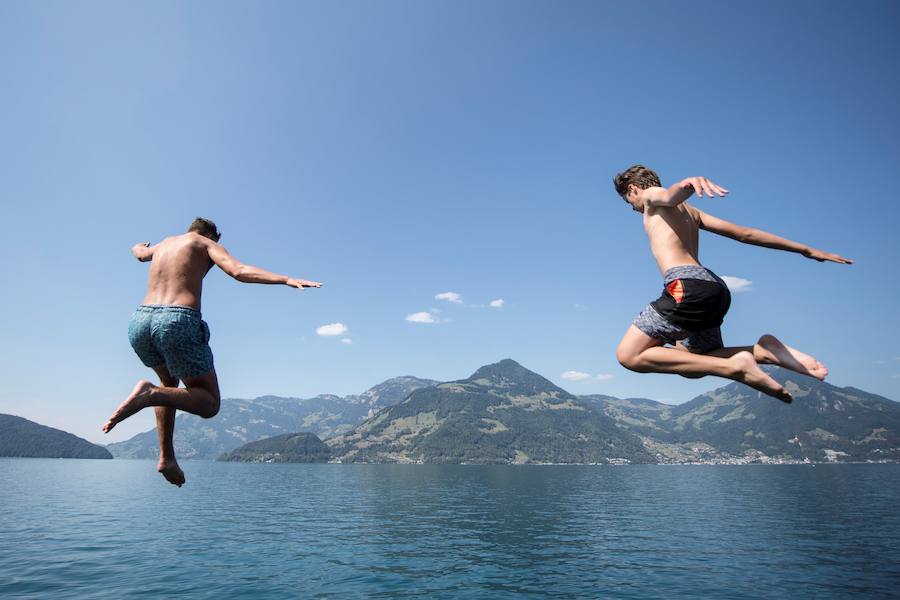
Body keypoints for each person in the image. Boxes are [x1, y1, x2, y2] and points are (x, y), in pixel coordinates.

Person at [101, 218, 322, 486]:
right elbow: (238, 270)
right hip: (177, 320)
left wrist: (136, 247)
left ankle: (166, 456)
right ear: (211, 235)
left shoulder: (164, 244)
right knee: (208, 403)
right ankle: (149, 394)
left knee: (168, 384)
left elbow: (139, 254)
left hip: (139, 322)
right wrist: (285, 279)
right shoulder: (204, 242)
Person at [612, 165, 852, 403]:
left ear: (633, 189)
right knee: (691, 362)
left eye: (629, 202)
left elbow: (667, 194)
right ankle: (762, 352)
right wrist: (805, 249)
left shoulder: (651, 197)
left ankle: (735, 368)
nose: (633, 208)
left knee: (629, 355)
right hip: (712, 288)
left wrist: (686, 185)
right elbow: (744, 233)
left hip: (685, 286)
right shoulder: (692, 213)